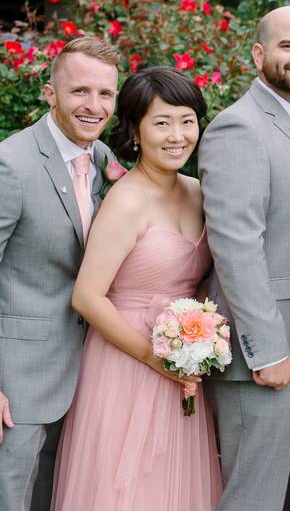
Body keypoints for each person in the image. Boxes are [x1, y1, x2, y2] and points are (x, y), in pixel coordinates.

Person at [51, 67, 219, 510]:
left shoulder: (201, 192)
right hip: (126, 362)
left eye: (187, 121)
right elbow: (87, 296)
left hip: (184, 361)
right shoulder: (126, 200)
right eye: (162, 123)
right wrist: (154, 356)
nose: (177, 135)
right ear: (135, 131)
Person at [198, 5, 290, 511]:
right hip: (267, 355)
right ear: (259, 54)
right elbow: (236, 246)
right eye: (288, 45)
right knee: (253, 498)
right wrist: (267, 349)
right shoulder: (239, 128)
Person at [0, 37, 119, 511]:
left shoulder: (107, 161)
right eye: (79, 92)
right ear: (50, 93)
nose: (93, 106)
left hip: (88, 374)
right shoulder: (11, 164)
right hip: (19, 380)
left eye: (105, 94)